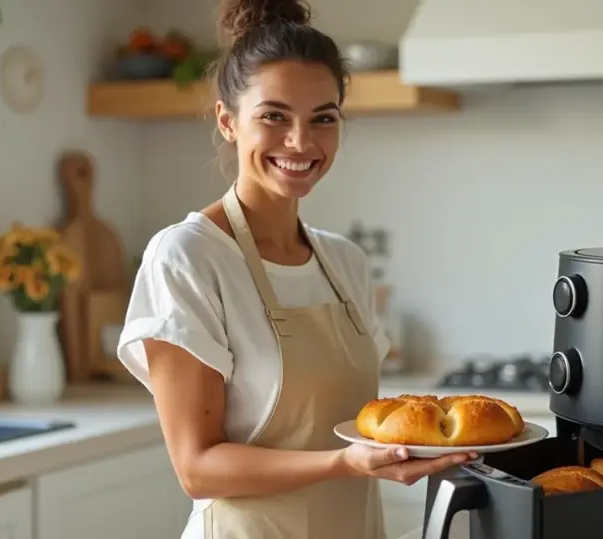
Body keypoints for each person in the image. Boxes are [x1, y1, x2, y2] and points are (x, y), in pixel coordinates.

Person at [116, 0, 475, 537]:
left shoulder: (345, 262)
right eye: (274, 116)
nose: (301, 143)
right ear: (227, 121)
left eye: (323, 119)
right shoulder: (188, 257)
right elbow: (196, 468)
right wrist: (341, 463)